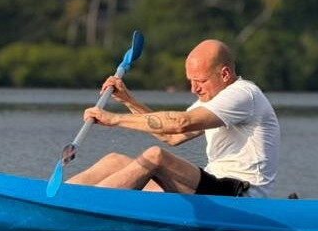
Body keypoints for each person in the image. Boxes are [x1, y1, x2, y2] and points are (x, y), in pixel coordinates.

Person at [67, 39, 281, 198]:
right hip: (212, 186)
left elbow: (180, 123)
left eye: (200, 81)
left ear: (224, 74)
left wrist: (114, 119)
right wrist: (128, 100)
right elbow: (171, 136)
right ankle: (58, 197)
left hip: (239, 194)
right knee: (114, 161)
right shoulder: (213, 99)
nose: (193, 89)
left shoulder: (243, 94)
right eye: (190, 81)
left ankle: (86, 207)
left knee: (155, 156)